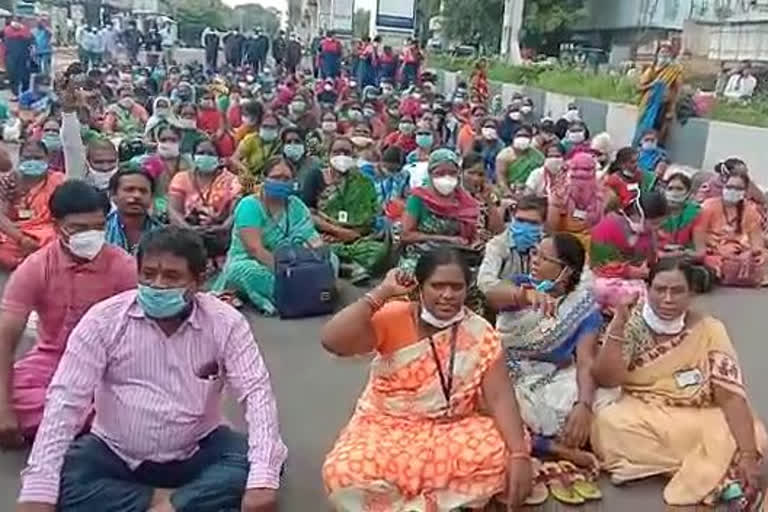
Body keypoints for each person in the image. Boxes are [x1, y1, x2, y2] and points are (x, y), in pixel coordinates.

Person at [16, 226, 287, 512]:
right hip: (115, 451)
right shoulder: (103, 320)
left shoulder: (225, 323)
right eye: (148, 274)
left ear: (199, 280)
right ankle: (177, 502)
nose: (156, 285)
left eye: (171, 277)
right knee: (60, 480)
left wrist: (262, 480)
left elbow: (256, 394)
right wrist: (39, 490)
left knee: (266, 463)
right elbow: (66, 399)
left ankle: (157, 503)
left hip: (197, 447)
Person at [321, 249, 533, 510]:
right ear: (420, 287)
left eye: (456, 287)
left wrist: (520, 455)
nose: (447, 295)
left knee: (505, 449)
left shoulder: (479, 332)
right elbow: (332, 340)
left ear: (467, 290)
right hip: (387, 425)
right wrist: (382, 293)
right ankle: (441, 500)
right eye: (437, 286)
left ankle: (411, 502)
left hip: (452, 428)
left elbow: (501, 397)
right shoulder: (394, 315)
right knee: (342, 472)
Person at [591, 258, 767, 508]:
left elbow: (729, 395)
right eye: (660, 290)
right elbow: (606, 378)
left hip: (700, 415)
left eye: (677, 291)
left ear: (692, 293)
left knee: (755, 435)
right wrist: (618, 325)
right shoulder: (632, 324)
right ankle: (722, 474)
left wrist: (749, 455)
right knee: (609, 425)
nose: (668, 299)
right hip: (645, 411)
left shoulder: (709, 329)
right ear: (647, 289)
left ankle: (711, 472)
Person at [0, 181, 137, 449]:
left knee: (145, 397)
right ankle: (97, 424)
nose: (92, 235)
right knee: (8, 395)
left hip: (111, 364)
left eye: (98, 227)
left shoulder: (124, 267)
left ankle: (71, 421)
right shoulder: (36, 267)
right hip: (53, 361)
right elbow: (4, 340)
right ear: (56, 226)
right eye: (79, 229)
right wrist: (3, 410)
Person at [485, 234, 613, 473]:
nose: (535, 260)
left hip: (547, 376)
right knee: (495, 409)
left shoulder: (583, 308)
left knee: (601, 399)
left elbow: (586, 361)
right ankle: (556, 448)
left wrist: (583, 405)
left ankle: (552, 440)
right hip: (501, 369)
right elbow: (491, 296)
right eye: (535, 253)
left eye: (544, 258)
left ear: (566, 271)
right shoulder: (519, 285)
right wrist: (525, 296)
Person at [214, 157, 330, 314]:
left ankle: (297, 292)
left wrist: (317, 262)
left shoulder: (296, 205)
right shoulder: (249, 205)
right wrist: (288, 275)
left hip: (294, 262)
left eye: (286, 178)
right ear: (264, 178)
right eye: (276, 177)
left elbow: (311, 238)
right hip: (255, 262)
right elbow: (255, 250)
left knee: (331, 260)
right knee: (248, 272)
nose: (281, 182)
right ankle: (304, 293)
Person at [302, 137, 386, 283]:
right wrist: (337, 231)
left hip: (356, 236)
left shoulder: (363, 182)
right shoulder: (315, 176)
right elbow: (306, 212)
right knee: (308, 246)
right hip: (323, 233)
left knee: (379, 251)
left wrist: (352, 234)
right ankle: (347, 267)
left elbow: (370, 216)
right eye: (336, 152)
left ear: (353, 156)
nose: (341, 156)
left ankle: (337, 262)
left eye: (346, 152)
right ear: (328, 155)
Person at [399, 148, 481, 271]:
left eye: (452, 173)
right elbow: (406, 235)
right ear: (430, 174)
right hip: (422, 255)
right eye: (440, 173)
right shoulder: (418, 198)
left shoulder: (465, 201)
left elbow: (472, 233)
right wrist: (445, 239)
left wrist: (475, 242)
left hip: (457, 255)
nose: (446, 178)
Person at [590, 190, 668, 309]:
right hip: (605, 279)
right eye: (654, 223)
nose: (656, 227)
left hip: (638, 279)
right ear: (639, 216)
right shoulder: (607, 227)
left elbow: (651, 259)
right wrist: (633, 272)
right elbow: (600, 266)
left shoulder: (647, 233)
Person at [168, 138, 241, 261]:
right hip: (186, 234)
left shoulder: (233, 181)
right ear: (192, 156)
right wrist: (188, 229)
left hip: (220, 235)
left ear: (219, 158)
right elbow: (173, 210)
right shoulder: (181, 178)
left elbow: (235, 212)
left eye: (211, 154)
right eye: (201, 153)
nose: (205, 157)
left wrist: (223, 227)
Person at [693, 168, 765, 287]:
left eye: (738, 188)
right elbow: (699, 234)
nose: (733, 191)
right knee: (716, 263)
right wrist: (718, 249)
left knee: (762, 260)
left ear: (745, 192)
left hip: (742, 252)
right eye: (730, 187)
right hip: (715, 251)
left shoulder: (751, 211)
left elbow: (757, 242)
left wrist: (750, 253)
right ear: (723, 187)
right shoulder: (709, 206)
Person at [0, 140, 64, 270]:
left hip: (46, 229)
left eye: (38, 158)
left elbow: (62, 216)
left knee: (52, 237)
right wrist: (21, 238)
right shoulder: (9, 181)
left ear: (47, 159)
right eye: (27, 158)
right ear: (20, 159)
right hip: (15, 231)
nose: (32, 161)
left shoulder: (58, 180)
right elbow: (2, 217)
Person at [546, 151, 603, 251]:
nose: (581, 175)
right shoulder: (560, 194)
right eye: (577, 171)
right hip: (565, 244)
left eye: (586, 171)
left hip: (588, 245)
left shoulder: (559, 194)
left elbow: (552, 224)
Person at [633, 40, 683, 146]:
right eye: (662, 52)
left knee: (656, 134)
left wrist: (671, 110)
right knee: (642, 133)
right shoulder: (650, 70)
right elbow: (638, 88)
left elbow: (677, 91)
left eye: (667, 52)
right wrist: (652, 85)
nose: (664, 54)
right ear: (658, 54)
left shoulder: (674, 71)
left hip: (662, 107)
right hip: (647, 106)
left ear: (671, 55)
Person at [105, 169, 163, 254]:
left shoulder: (164, 234)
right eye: (129, 190)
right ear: (113, 195)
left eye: (143, 191)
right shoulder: (101, 231)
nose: (137, 195)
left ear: (151, 197)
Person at [231, 110, 281, 193]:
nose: (268, 129)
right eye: (265, 126)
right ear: (259, 127)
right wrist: (245, 170)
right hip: (248, 179)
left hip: (270, 181)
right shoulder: (251, 139)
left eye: (272, 127)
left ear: (278, 128)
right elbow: (234, 159)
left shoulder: (279, 143)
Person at [461, 152, 504, 243]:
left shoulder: (489, 197)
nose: (476, 179)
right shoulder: (454, 196)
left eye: (480, 175)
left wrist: (489, 202)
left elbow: (498, 231)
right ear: (461, 173)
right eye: (471, 173)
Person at [658, 172, 702, 256]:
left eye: (679, 189)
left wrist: (684, 253)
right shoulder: (656, 210)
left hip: (685, 258)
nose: (674, 193)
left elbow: (699, 251)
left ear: (688, 193)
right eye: (670, 188)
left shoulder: (695, 213)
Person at [495, 125, 545, 197]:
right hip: (510, 192)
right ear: (513, 137)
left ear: (531, 138)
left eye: (526, 136)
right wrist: (508, 193)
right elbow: (501, 178)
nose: (522, 138)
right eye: (519, 135)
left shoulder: (538, 156)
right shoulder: (504, 156)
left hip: (532, 194)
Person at [4, 18, 34, 100]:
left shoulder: (26, 31)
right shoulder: (6, 31)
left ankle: (25, 94)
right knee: (12, 75)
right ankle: (16, 94)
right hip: (11, 56)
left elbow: (31, 42)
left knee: (25, 76)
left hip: (23, 57)